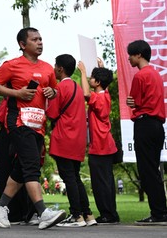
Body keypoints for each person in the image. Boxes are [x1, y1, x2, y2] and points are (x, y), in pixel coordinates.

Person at [0, 27, 65, 230]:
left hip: (38, 124)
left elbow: (55, 89)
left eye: (41, 39)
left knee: (22, 169)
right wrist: (17, 93)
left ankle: (1, 205)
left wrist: (52, 91)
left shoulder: (47, 68)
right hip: (18, 122)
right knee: (31, 166)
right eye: (34, 40)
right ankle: (42, 212)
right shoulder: (11, 65)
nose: (40, 42)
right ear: (22, 44)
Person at [46, 54, 96, 227]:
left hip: (64, 137)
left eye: (55, 66)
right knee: (75, 177)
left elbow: (52, 114)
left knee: (68, 178)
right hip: (77, 138)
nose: (54, 68)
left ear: (60, 69)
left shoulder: (60, 88)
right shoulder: (77, 87)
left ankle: (76, 215)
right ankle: (88, 214)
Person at [125, 39, 167, 225]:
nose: (129, 58)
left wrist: (133, 102)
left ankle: (158, 213)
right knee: (153, 169)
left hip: (145, 124)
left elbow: (134, 100)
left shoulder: (140, 76)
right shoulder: (156, 74)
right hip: (158, 125)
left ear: (139, 55)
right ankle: (161, 211)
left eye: (131, 55)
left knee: (146, 170)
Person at [77, 60, 120, 224]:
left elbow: (86, 94)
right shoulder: (105, 95)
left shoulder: (99, 98)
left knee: (100, 183)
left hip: (100, 147)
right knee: (106, 182)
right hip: (106, 146)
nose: (90, 79)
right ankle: (111, 213)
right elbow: (104, 85)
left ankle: (107, 214)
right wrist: (102, 69)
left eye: (93, 77)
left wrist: (82, 72)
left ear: (98, 82)